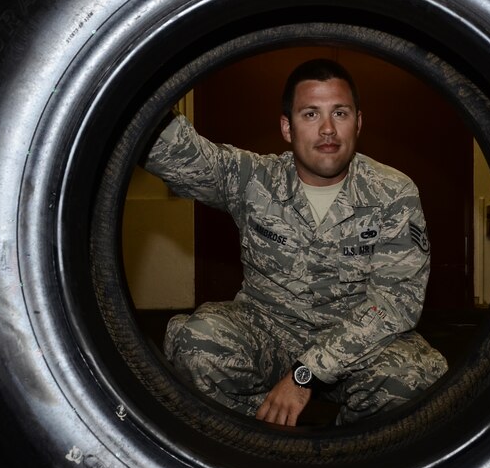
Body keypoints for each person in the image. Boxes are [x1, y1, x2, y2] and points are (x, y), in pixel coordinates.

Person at [143, 58, 447, 426]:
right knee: (199, 342)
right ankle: (260, 451)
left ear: (359, 122)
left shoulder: (392, 192)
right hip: (267, 332)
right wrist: (137, 83)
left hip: (356, 343)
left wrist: (307, 373)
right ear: (287, 128)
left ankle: (347, 466)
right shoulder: (254, 179)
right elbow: (177, 152)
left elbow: (395, 303)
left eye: (340, 113)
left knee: (412, 376)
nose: (328, 129)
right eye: (310, 115)